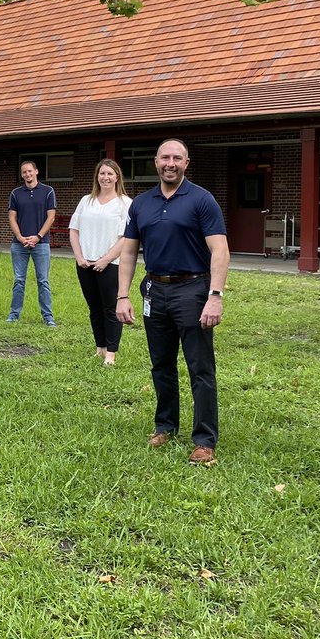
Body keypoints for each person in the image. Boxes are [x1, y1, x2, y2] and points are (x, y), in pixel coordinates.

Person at [116, 139, 229, 465]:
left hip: (192, 291)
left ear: (186, 163)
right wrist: (122, 295)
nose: (171, 163)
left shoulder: (201, 200)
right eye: (165, 157)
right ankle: (165, 425)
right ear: (156, 162)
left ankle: (204, 440)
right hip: (155, 290)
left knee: (200, 368)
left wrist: (215, 297)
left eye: (177, 158)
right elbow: (128, 252)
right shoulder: (141, 204)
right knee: (161, 364)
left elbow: (219, 250)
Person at [68, 160, 132, 366]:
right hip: (85, 263)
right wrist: (79, 256)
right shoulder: (86, 201)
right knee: (94, 307)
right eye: (102, 173)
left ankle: (111, 353)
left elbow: (126, 237)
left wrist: (106, 259)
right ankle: (100, 348)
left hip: (111, 264)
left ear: (117, 177)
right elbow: (74, 230)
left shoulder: (125, 203)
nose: (106, 177)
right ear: (97, 176)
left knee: (111, 308)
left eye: (110, 174)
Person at [6, 160, 58, 325]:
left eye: (30, 171)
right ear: (22, 175)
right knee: (19, 280)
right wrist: (20, 237)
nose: (27, 174)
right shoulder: (15, 193)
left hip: (41, 244)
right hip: (18, 244)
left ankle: (48, 317)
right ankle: (14, 315)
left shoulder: (48, 191)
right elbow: (12, 217)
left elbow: (51, 216)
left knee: (43, 280)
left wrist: (38, 236)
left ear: (36, 171)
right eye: (24, 172)